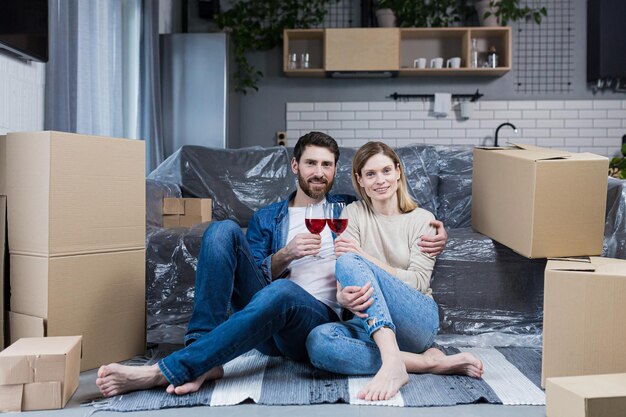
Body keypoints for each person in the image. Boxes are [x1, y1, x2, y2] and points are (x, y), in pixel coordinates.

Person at [96, 133, 448, 397]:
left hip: (321, 318)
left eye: (327, 165)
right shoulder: (268, 218)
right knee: (222, 230)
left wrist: (438, 230)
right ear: (295, 166)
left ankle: (176, 368)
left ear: (337, 171)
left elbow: (390, 212)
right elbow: (247, 278)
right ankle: (201, 353)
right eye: (311, 163)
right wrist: (285, 255)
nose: (319, 172)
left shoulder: (348, 208)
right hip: (273, 310)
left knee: (285, 293)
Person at [306, 141, 484, 402]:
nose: (380, 180)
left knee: (350, 260)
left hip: (416, 320)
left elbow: (418, 283)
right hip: (368, 324)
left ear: (399, 171)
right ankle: (425, 363)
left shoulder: (422, 219)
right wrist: (342, 297)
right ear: (360, 180)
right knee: (319, 342)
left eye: (386, 171)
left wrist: (364, 256)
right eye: (370, 174)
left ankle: (392, 361)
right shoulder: (351, 214)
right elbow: (343, 282)